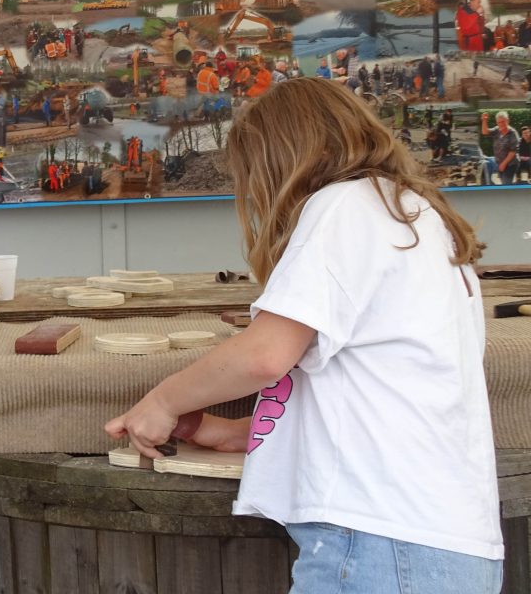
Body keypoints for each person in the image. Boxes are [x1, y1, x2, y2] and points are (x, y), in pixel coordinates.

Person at [104, 77, 503, 593]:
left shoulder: (344, 205)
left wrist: (163, 401)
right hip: (435, 544)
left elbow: (265, 356)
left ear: (283, 159)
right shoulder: (411, 214)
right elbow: (373, 394)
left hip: (381, 545)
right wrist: (231, 433)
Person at [480, 110, 519, 185]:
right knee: (503, 183)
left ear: (507, 121)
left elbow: (513, 152)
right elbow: (485, 132)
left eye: (503, 121)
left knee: (506, 184)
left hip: (510, 164)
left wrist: (504, 164)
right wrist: (484, 120)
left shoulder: (512, 133)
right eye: (499, 122)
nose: (501, 124)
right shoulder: (497, 130)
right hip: (499, 163)